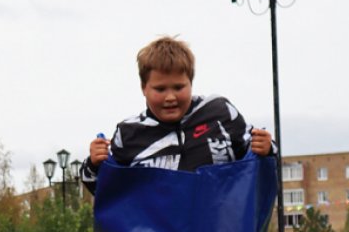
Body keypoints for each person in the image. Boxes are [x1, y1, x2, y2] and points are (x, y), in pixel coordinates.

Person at [80, 36, 272, 193]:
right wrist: (94, 164)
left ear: (191, 82)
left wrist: (267, 148)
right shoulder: (128, 133)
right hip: (156, 230)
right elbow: (107, 194)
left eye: (179, 87)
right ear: (144, 88)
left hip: (220, 228)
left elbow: (260, 162)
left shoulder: (220, 112)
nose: (170, 97)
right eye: (160, 89)